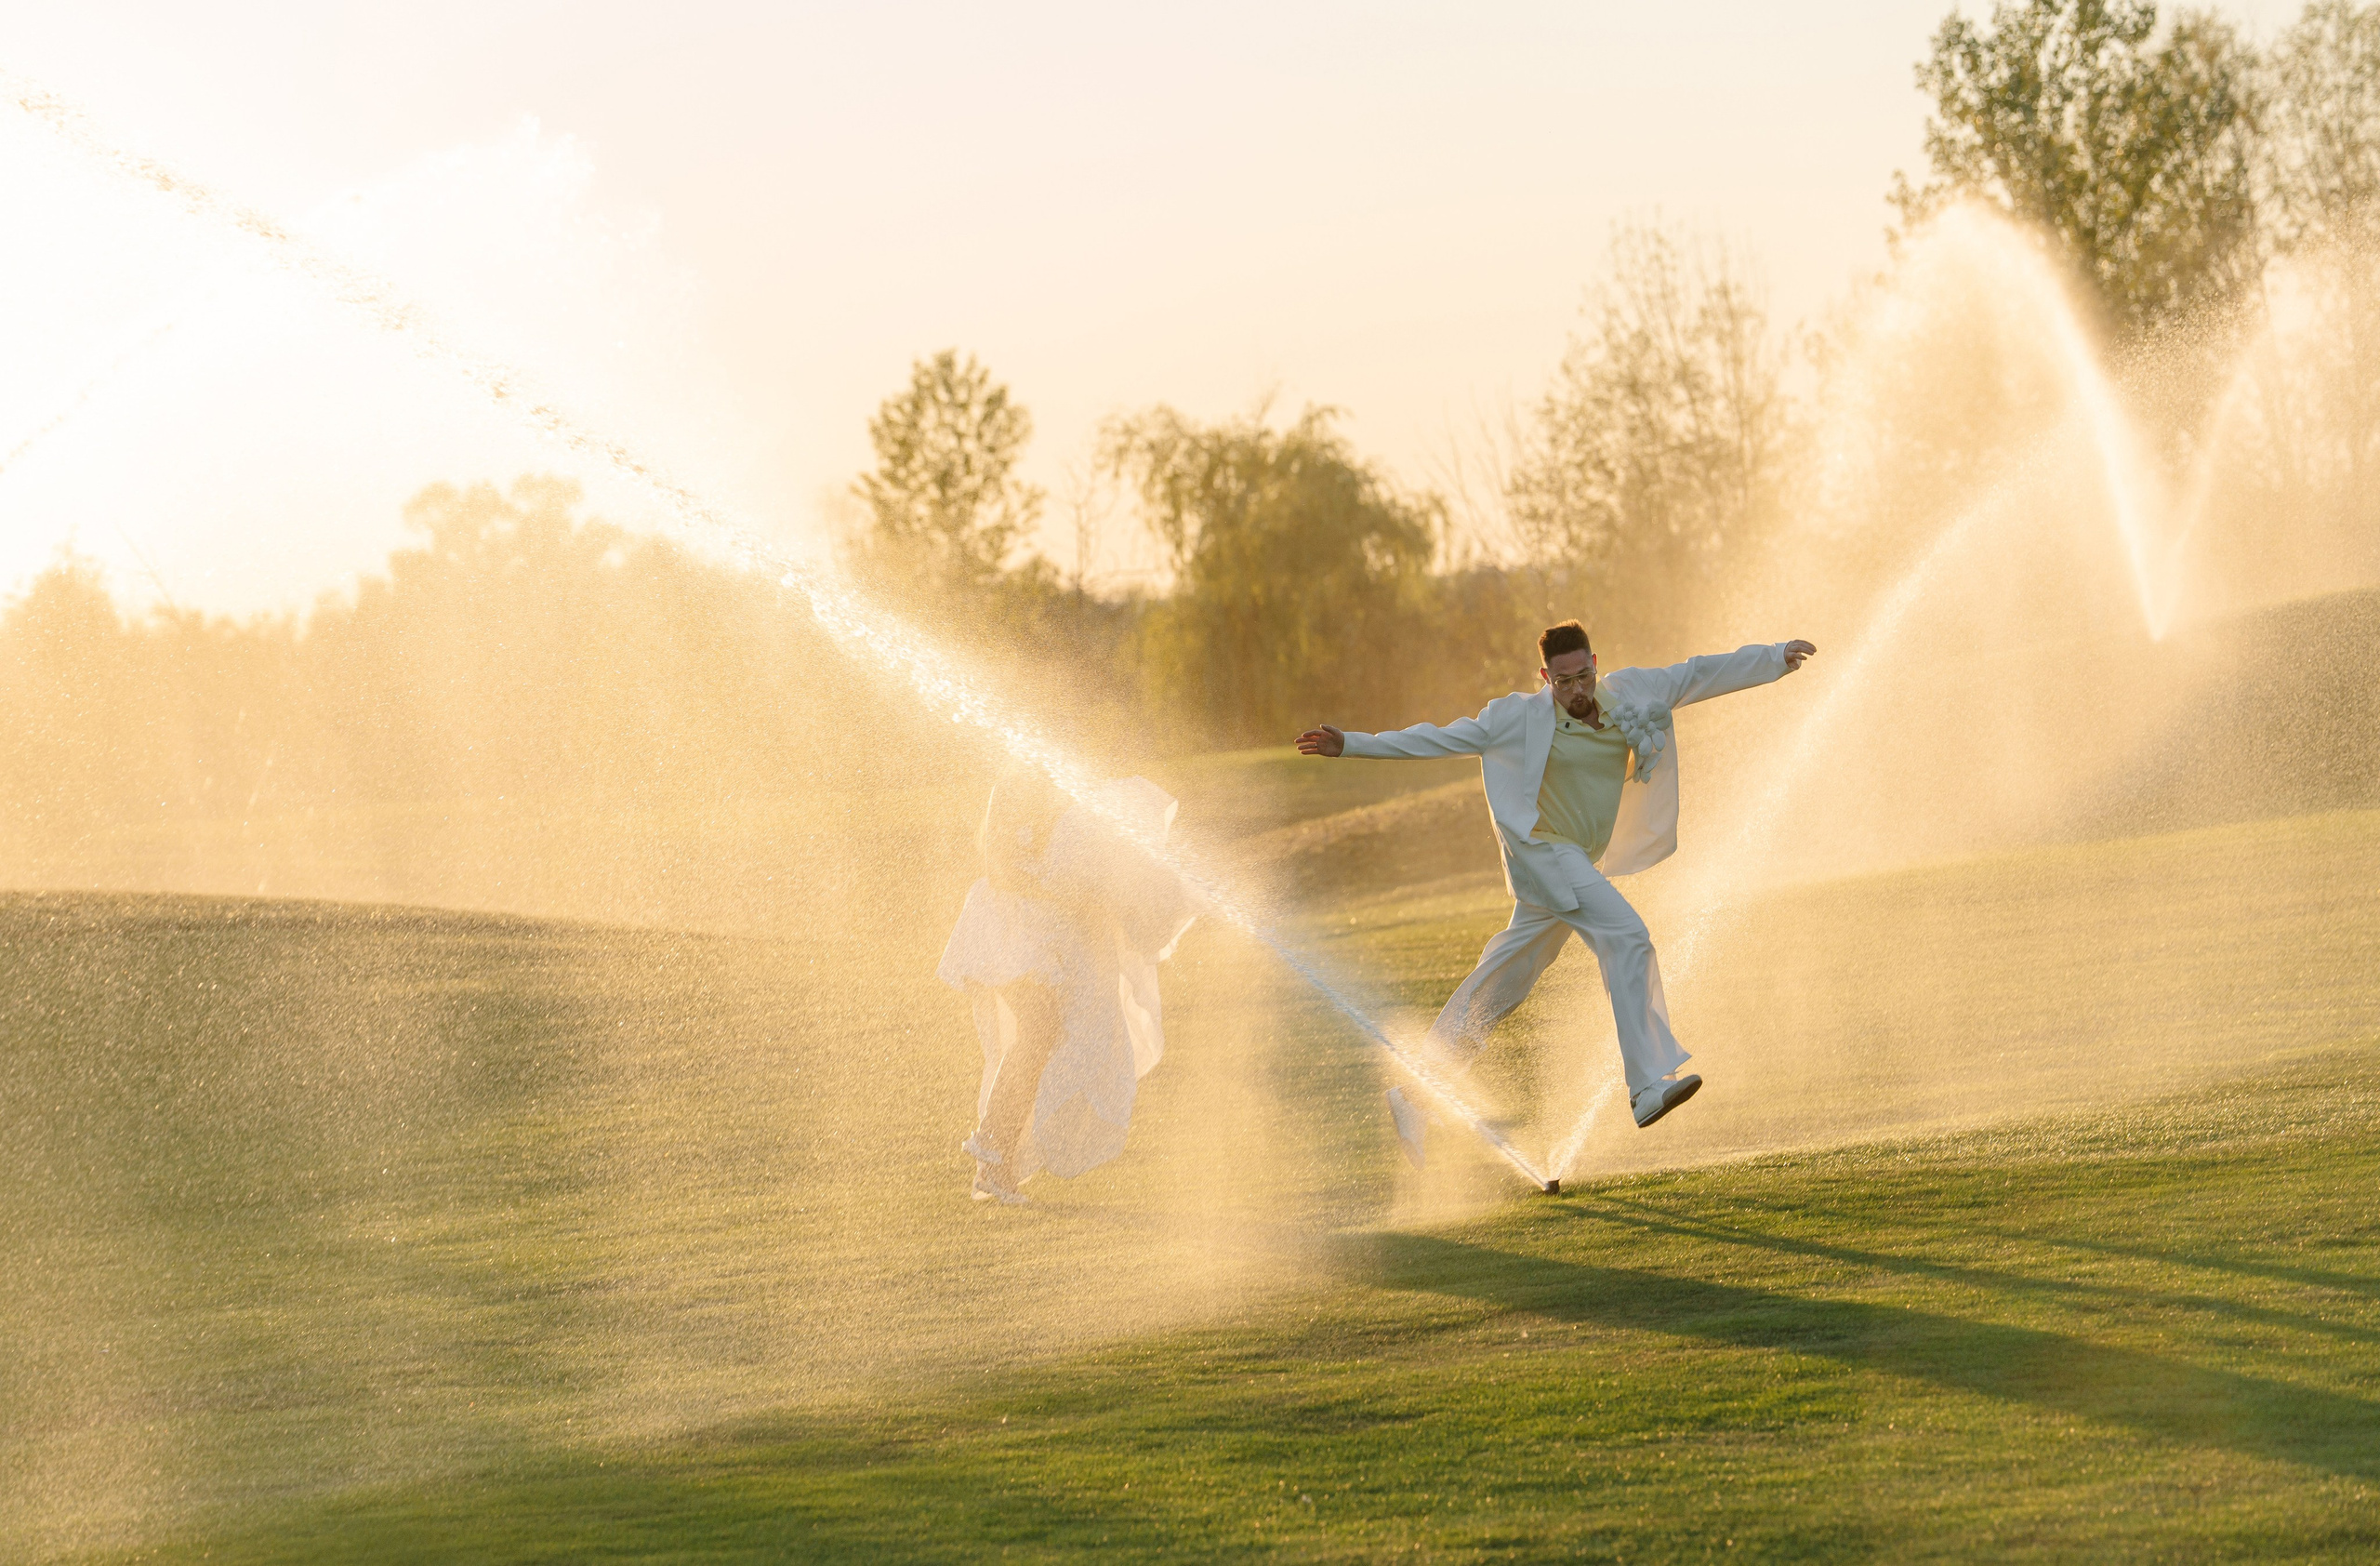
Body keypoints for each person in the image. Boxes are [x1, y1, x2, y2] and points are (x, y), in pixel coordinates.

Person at [1296, 620, 1815, 1158]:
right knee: (1628, 936)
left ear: (1596, 663)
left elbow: (1699, 673)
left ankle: (1415, 1094)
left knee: (1501, 986)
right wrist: (1350, 744)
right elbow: (1436, 738)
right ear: (1545, 677)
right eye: (1562, 682)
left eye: (1583, 676)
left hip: (1574, 865)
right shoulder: (1515, 717)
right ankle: (1646, 1087)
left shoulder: (1633, 691)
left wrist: (1774, 657)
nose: (1575, 690)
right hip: (1545, 854)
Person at [935, 763, 1196, 1203]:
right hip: (1004, 926)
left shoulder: (1070, 804)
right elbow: (1000, 869)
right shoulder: (1011, 787)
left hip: (1044, 936)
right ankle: (992, 1155)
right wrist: (1065, 893)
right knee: (1038, 1031)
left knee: (1049, 1036)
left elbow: (1089, 871)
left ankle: (1000, 1160)